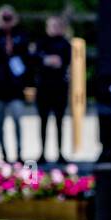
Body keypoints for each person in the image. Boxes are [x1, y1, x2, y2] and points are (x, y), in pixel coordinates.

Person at [0, 6, 30, 163]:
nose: (7, 21)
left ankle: (18, 153)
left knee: (18, 119)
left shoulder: (21, 36)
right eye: (4, 18)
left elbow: (27, 59)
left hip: (16, 88)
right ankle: (3, 154)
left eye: (9, 18)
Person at [34, 16, 71, 163]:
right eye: (52, 25)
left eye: (57, 25)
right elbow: (35, 59)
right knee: (43, 121)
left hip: (59, 89)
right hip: (43, 89)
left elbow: (65, 61)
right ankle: (42, 153)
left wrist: (52, 61)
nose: (54, 28)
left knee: (59, 121)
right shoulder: (41, 43)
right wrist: (47, 60)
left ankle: (60, 153)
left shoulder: (65, 44)